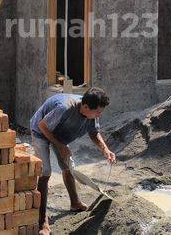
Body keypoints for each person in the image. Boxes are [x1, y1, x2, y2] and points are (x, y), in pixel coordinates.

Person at [29, 87, 116, 234]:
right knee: (46, 172)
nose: (99, 115)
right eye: (98, 112)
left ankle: (75, 203)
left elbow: (94, 133)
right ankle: (42, 220)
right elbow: (42, 126)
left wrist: (105, 149)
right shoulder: (64, 108)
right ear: (86, 106)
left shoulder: (92, 113)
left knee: (68, 167)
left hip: (60, 134)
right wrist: (61, 146)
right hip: (41, 131)